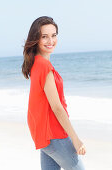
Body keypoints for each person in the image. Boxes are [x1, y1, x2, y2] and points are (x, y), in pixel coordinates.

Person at [22, 16, 86, 170]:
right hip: (53, 133)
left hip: (43, 133)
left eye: (54, 35)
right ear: (36, 39)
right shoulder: (44, 66)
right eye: (44, 36)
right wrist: (75, 139)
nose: (50, 40)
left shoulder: (36, 63)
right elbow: (57, 107)